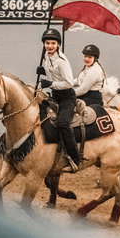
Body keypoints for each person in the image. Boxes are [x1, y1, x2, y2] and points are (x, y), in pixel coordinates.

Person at [37, 28, 80, 173]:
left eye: (53, 43)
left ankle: (75, 159)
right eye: (47, 43)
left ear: (58, 45)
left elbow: (69, 83)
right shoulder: (46, 57)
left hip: (67, 97)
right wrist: (44, 73)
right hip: (55, 95)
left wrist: (51, 84)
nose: (49, 46)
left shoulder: (62, 62)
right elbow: (53, 77)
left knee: (62, 123)